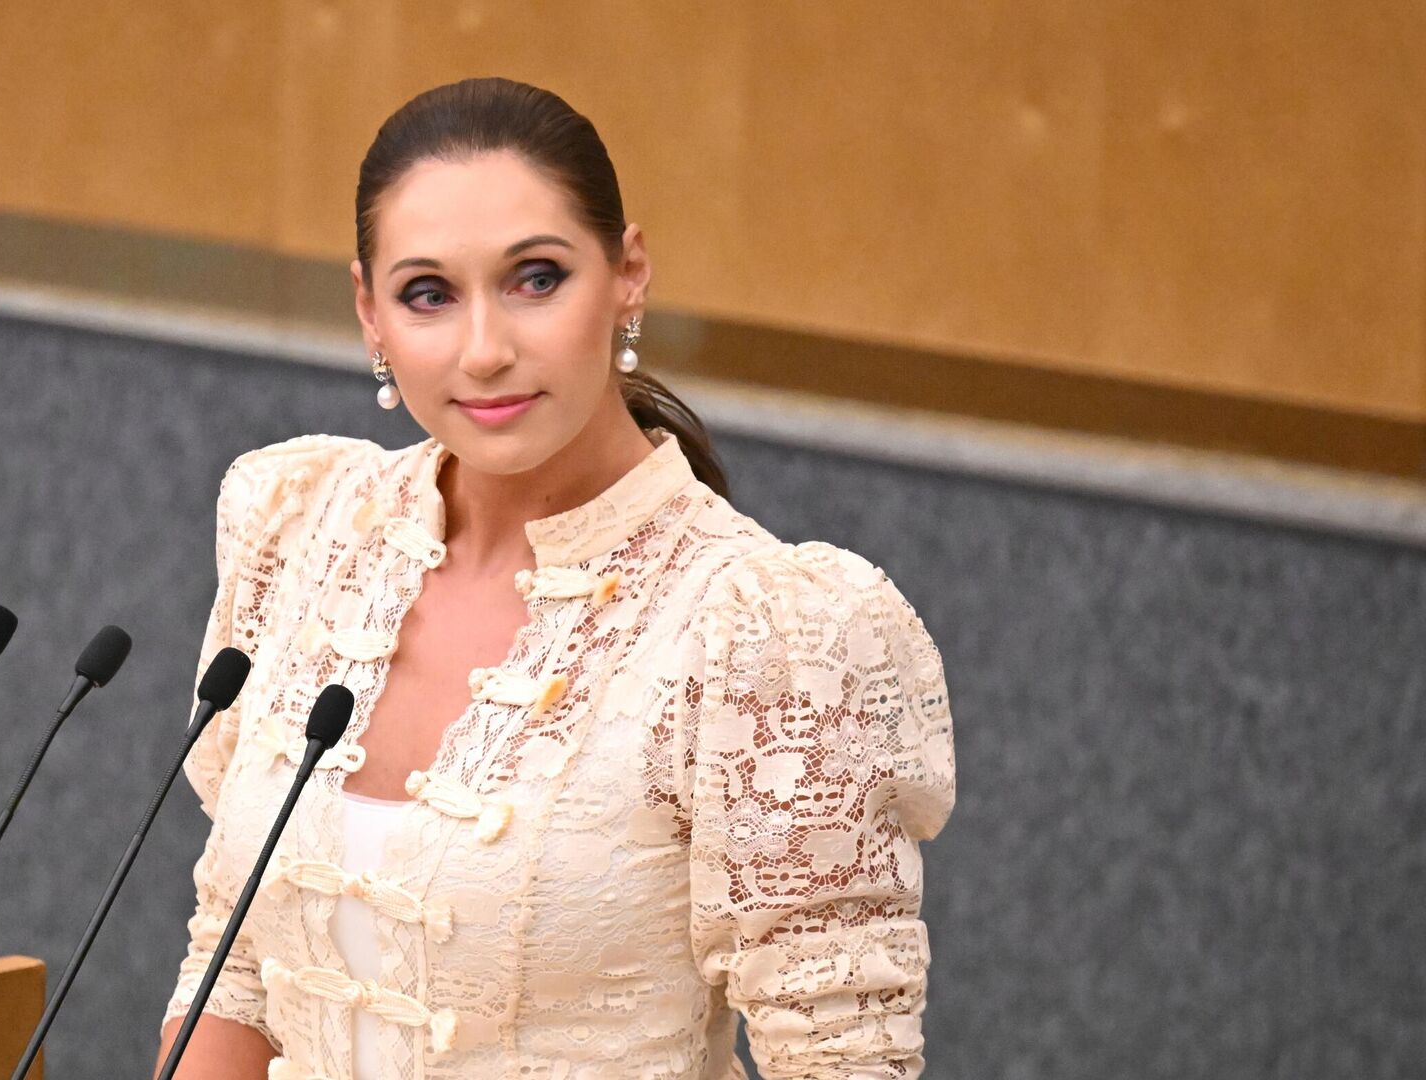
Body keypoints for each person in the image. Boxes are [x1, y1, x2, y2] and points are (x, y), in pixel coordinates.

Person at [156, 76, 956, 1080]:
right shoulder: (301, 526)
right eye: (429, 294)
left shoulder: (764, 632)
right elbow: (235, 957)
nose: (485, 351)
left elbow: (840, 1061)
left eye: (536, 279)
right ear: (369, 313)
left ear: (628, 275)